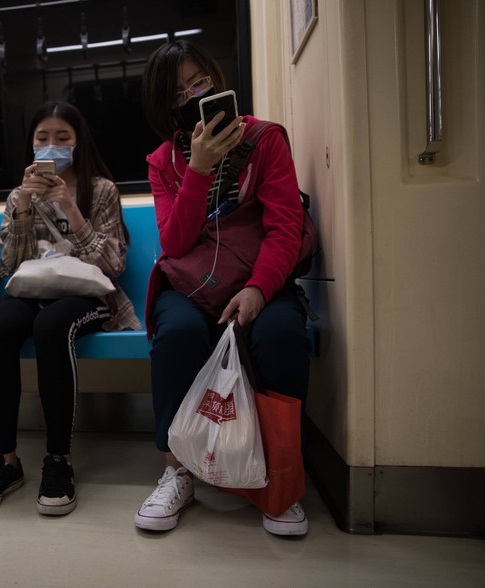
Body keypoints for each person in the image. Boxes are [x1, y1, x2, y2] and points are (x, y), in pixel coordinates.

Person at [134, 40, 311, 536]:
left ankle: (281, 477)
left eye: (199, 83)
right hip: (190, 283)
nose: (192, 96)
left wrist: (258, 289)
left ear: (216, 78)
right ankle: (177, 469)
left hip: (262, 279)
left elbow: (285, 228)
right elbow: (174, 240)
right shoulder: (163, 161)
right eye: (176, 95)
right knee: (177, 335)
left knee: (281, 336)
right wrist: (198, 170)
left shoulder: (266, 139)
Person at [0, 101, 141, 516]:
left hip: (88, 295)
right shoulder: (16, 197)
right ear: (31, 145)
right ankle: (4, 459)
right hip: (31, 291)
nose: (52, 146)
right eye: (43, 138)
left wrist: (71, 210)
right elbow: (9, 266)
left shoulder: (102, 190)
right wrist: (24, 206)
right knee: (0, 322)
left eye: (63, 138)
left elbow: (112, 265)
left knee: (52, 325)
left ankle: (60, 459)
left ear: (79, 143)